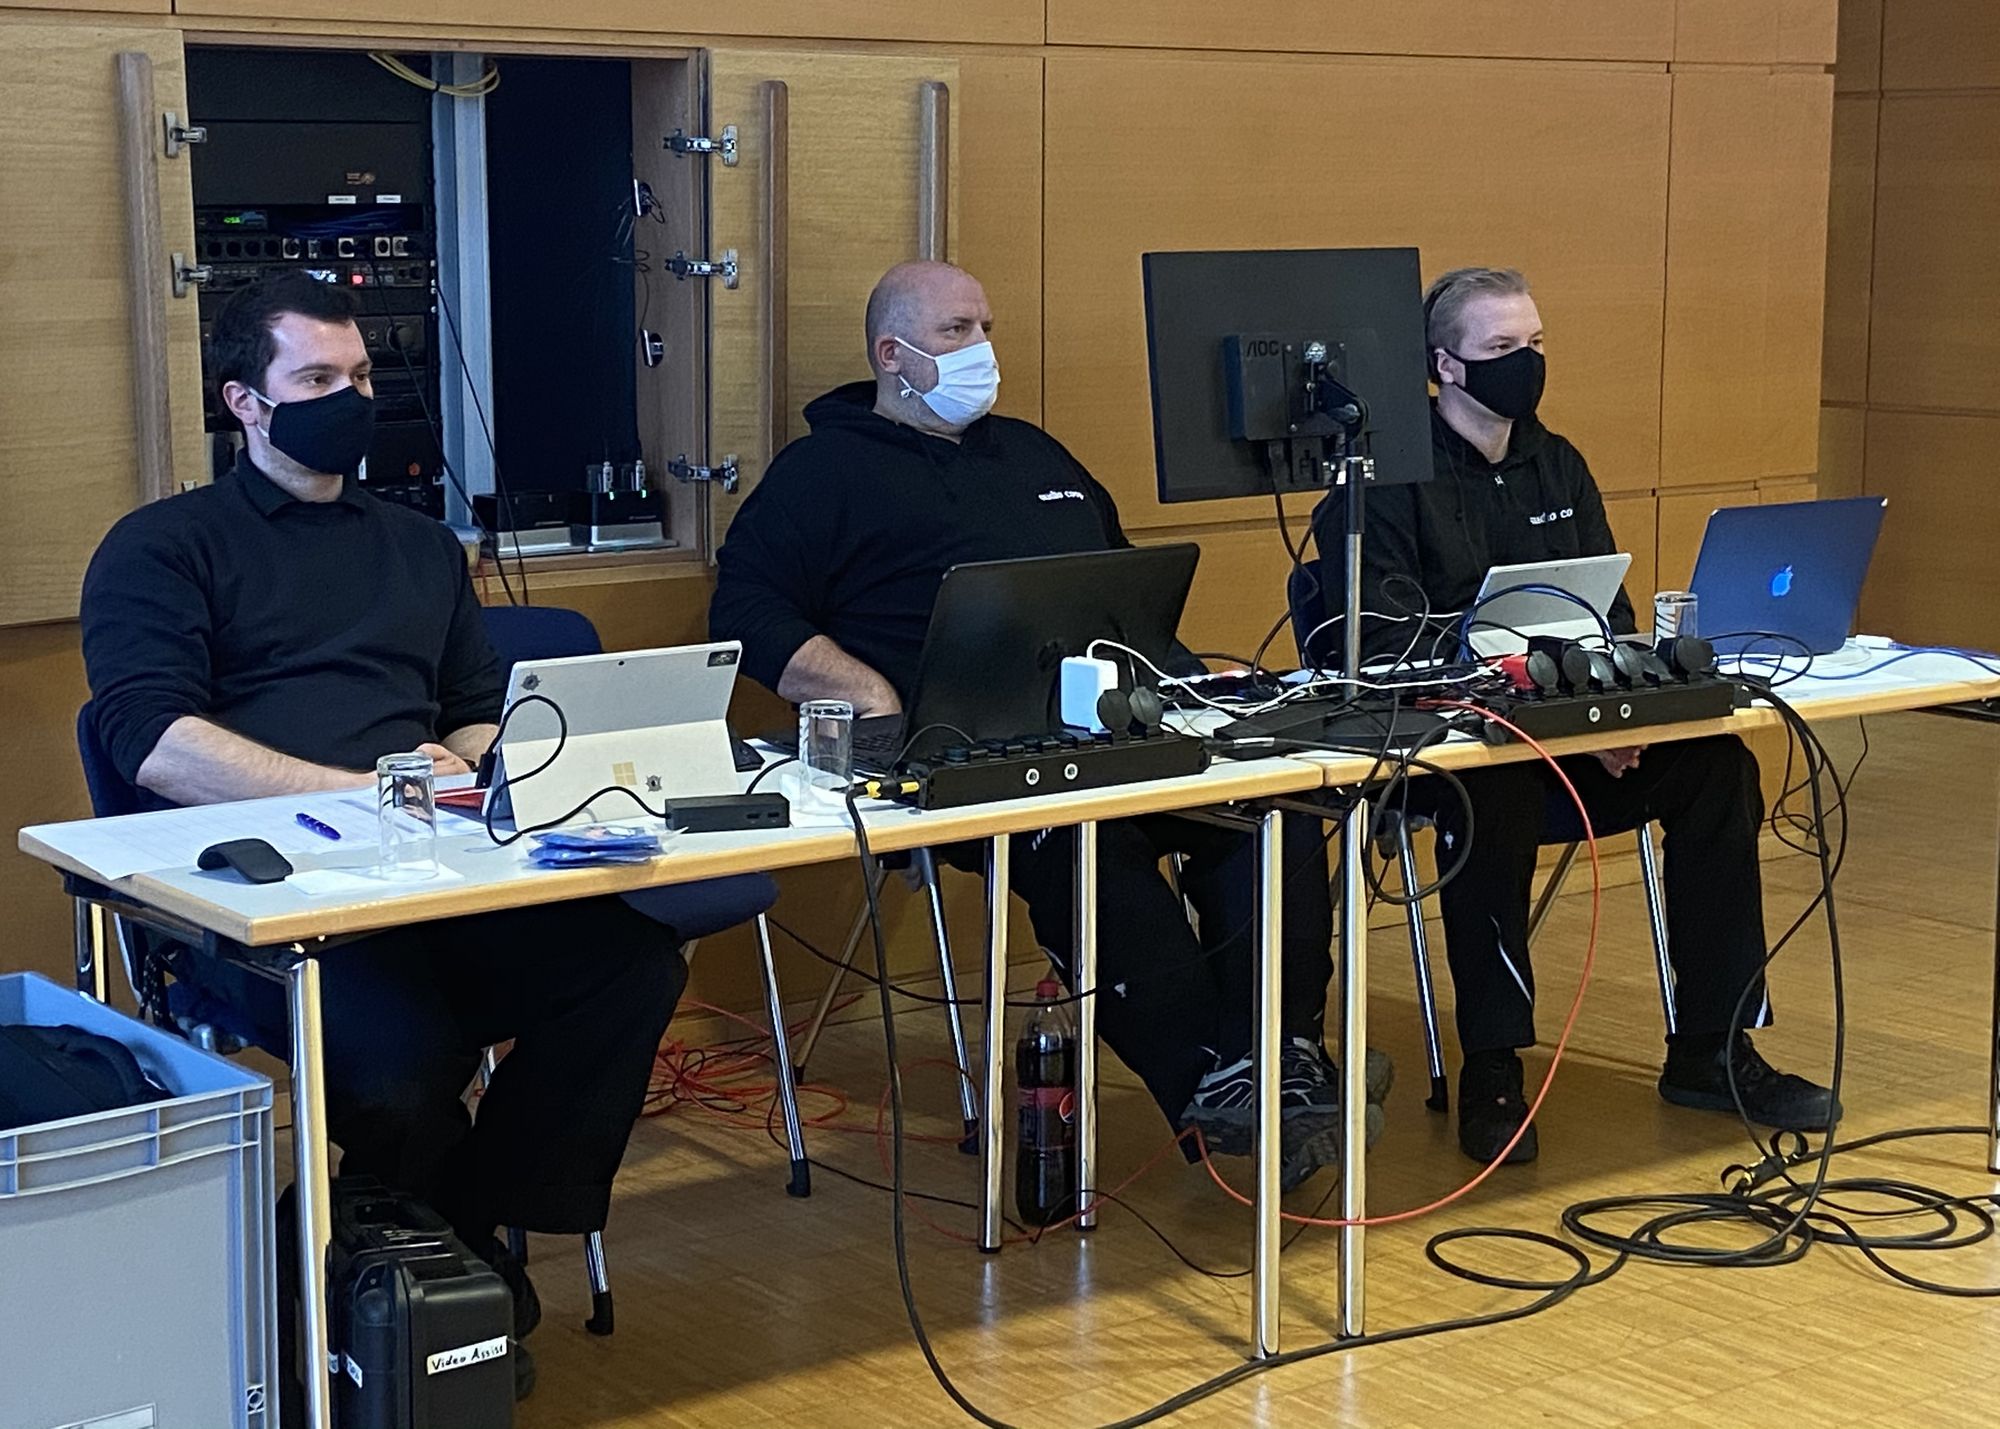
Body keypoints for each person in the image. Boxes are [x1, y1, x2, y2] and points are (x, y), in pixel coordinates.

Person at [80, 272, 685, 1398]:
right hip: (263, 904)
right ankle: (425, 1268)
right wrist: (360, 791)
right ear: (245, 402)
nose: (349, 399)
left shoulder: (419, 547)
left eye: (358, 376)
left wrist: (473, 760)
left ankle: (455, 1234)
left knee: (626, 967)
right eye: (315, 379)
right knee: (406, 1064)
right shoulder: (163, 547)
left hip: (435, 872)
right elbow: (151, 741)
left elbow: (475, 706)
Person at [712, 260, 1389, 1187]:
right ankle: (1213, 1081)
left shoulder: (1035, 455)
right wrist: (867, 690)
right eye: (956, 331)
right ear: (891, 354)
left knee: (1279, 808)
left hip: (1112, 723)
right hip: (957, 755)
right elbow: (744, 612)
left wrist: (1188, 679)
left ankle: (1280, 1057)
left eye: (985, 327)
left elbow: (1122, 584)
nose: (980, 348)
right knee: (1085, 847)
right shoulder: (821, 473)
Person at [1311, 265, 1839, 1165]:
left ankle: (1713, 1047)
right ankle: (1493, 1066)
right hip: (1458, 754)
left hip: (1574, 737)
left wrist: (1615, 721)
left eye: (1535, 343)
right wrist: (1541, 715)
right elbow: (1388, 648)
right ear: (1445, 364)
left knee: (1719, 768)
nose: (1526, 361)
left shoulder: (1558, 462)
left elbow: (1612, 618)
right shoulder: (1387, 481)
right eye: (1502, 346)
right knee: (1497, 788)